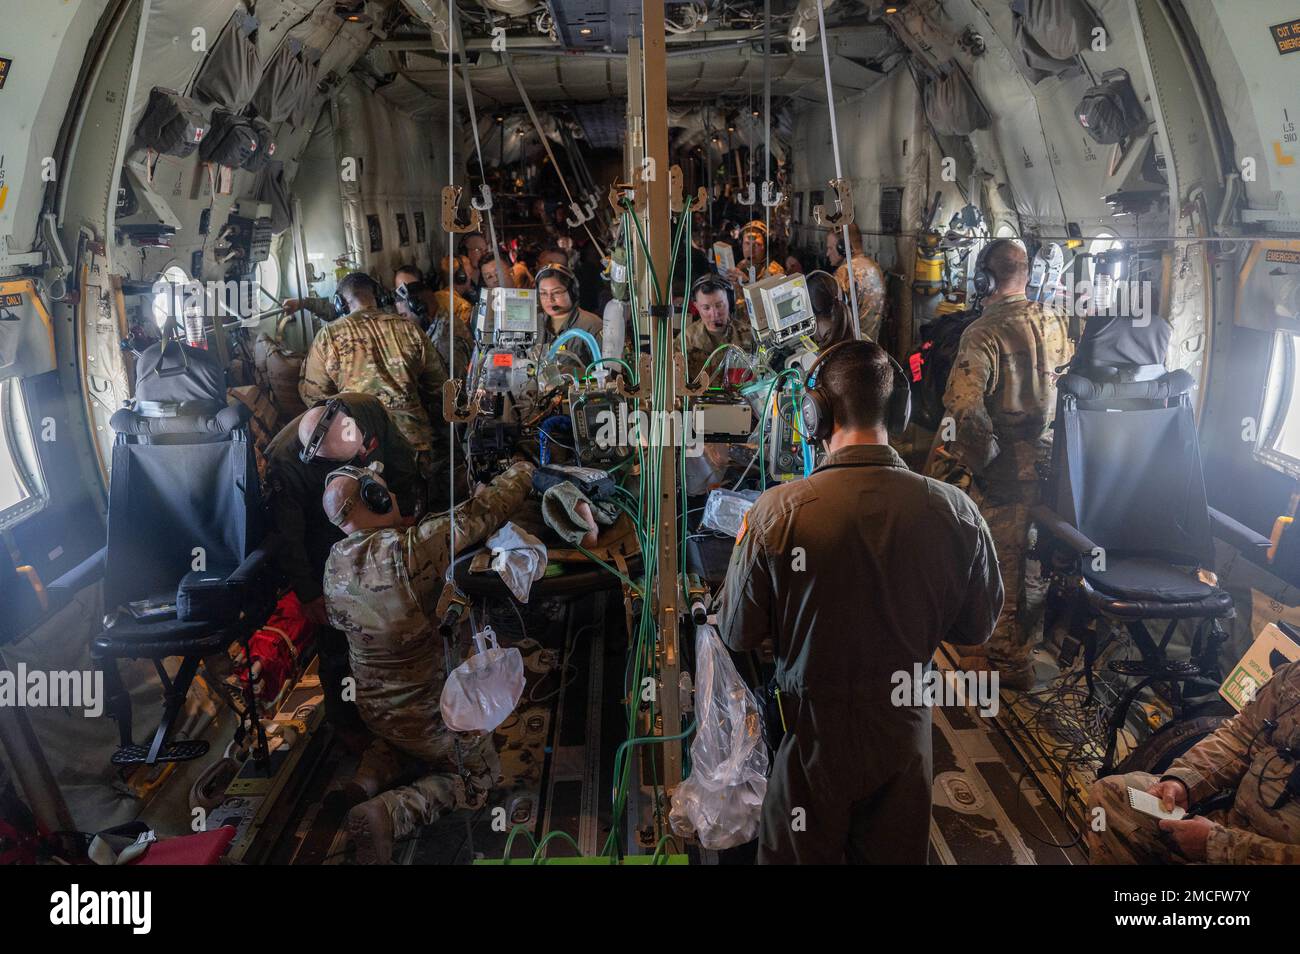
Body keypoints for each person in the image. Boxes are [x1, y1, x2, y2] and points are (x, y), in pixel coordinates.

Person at [717, 340, 1003, 863]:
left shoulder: (777, 513)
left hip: (813, 741)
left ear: (816, 413)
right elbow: (975, 628)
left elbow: (736, 633)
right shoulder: (957, 512)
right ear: (898, 411)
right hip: (904, 737)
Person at [321, 460, 535, 863]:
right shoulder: (411, 549)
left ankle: (366, 780)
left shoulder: (334, 562)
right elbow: (483, 512)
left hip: (375, 711)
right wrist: (524, 471)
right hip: (432, 717)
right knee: (478, 779)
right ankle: (389, 813)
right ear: (376, 498)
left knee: (399, 742)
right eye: (384, 488)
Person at [933, 239, 1072, 689]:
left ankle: (1005, 663)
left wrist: (981, 465)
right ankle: (1022, 653)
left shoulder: (983, 332)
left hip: (1004, 470)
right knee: (1032, 561)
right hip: (1048, 466)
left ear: (984, 280)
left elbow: (965, 410)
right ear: (1028, 274)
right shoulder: (1054, 320)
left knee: (1002, 560)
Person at [265, 394, 425, 732]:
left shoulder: (364, 408)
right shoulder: (286, 465)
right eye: (353, 458)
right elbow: (288, 537)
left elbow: (401, 460)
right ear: (317, 459)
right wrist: (309, 594)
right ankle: (347, 725)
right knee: (337, 646)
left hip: (383, 525)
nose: (364, 455)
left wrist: (408, 512)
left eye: (363, 448)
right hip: (325, 547)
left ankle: (405, 710)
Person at [1087, 660, 1300, 864]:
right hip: (1229, 820)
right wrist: (1184, 781)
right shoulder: (1294, 675)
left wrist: (1222, 847)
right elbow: (1242, 735)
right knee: (1110, 796)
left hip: (1264, 852)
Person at [298, 271, 450, 472]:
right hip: (413, 441)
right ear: (378, 297)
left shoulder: (328, 337)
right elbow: (439, 385)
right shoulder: (407, 327)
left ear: (340, 303)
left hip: (363, 447)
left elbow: (315, 398)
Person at [393, 263, 473, 378]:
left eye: (404, 315)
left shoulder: (445, 340)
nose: (403, 321)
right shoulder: (438, 323)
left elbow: (454, 387)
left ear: (421, 309)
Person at [681, 274, 753, 383]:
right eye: (706, 308)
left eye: (719, 305)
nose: (714, 315)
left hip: (740, 399)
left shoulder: (749, 335)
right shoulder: (686, 340)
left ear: (730, 301)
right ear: (696, 306)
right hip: (700, 399)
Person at [826, 222, 887, 342]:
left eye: (830, 248)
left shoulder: (845, 272)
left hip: (851, 347)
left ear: (843, 247)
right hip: (871, 345)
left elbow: (831, 316)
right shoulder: (874, 267)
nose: (827, 254)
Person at [535, 263, 603, 362]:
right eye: (543, 293)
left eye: (556, 292)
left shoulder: (592, 325)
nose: (549, 299)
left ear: (572, 292)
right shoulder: (535, 322)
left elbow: (605, 372)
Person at [726, 219, 785, 287]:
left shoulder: (776, 272)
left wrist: (746, 282)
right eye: (747, 243)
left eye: (757, 244)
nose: (751, 250)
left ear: (766, 246)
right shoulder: (742, 265)